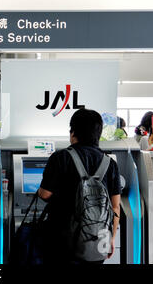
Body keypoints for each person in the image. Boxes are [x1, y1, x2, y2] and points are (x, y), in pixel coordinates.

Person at [37, 108, 121, 264]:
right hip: (97, 241)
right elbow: (115, 207)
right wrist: (111, 238)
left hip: (62, 242)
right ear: (98, 133)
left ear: (73, 132)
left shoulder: (61, 157)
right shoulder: (110, 164)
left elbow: (45, 194)